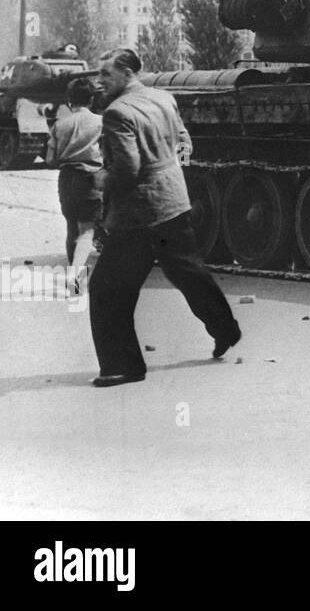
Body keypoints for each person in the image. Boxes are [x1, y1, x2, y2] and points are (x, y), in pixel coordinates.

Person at [89, 48, 241, 387]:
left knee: (107, 288)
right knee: (185, 269)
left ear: (127, 73)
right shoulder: (162, 97)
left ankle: (122, 367)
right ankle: (226, 329)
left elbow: (127, 169)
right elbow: (185, 143)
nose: (100, 82)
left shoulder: (117, 112)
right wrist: (166, 170)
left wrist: (102, 178)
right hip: (174, 201)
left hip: (138, 214)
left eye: (106, 75)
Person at [46, 79, 103, 295]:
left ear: (70, 101)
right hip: (89, 179)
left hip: (66, 179)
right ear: (91, 99)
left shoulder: (60, 125)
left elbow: (51, 160)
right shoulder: (101, 122)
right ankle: (75, 277)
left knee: (71, 228)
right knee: (87, 230)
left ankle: (75, 279)